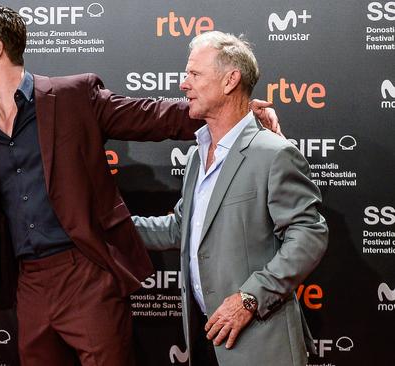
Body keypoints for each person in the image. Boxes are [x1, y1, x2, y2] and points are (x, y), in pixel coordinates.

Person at [0, 5, 281, 366]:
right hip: (28, 284)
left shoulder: (73, 95)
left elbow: (151, 116)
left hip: (87, 273)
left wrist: (237, 113)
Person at [132, 31, 328, 366]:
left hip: (262, 343)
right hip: (206, 340)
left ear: (230, 80)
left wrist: (250, 297)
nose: (183, 84)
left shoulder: (273, 153)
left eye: (194, 74)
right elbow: (182, 228)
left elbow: (309, 235)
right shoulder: (197, 156)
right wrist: (100, 226)